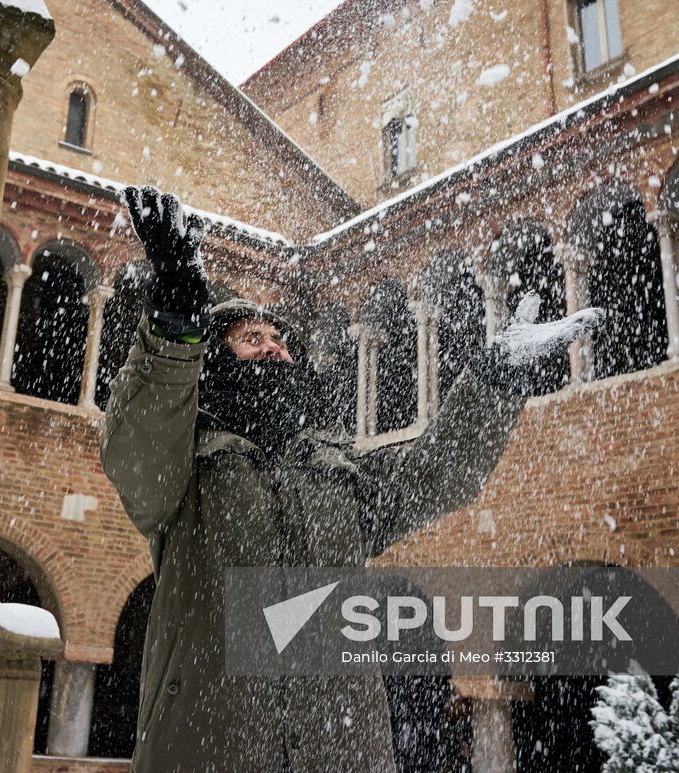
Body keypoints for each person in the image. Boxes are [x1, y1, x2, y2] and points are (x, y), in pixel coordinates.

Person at [102, 186, 604, 772]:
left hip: (341, 751)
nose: (275, 349)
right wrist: (173, 325)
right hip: (211, 748)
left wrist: (494, 383)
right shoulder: (185, 473)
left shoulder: (334, 474)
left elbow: (434, 475)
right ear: (215, 364)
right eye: (252, 340)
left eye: (282, 341)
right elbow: (136, 443)